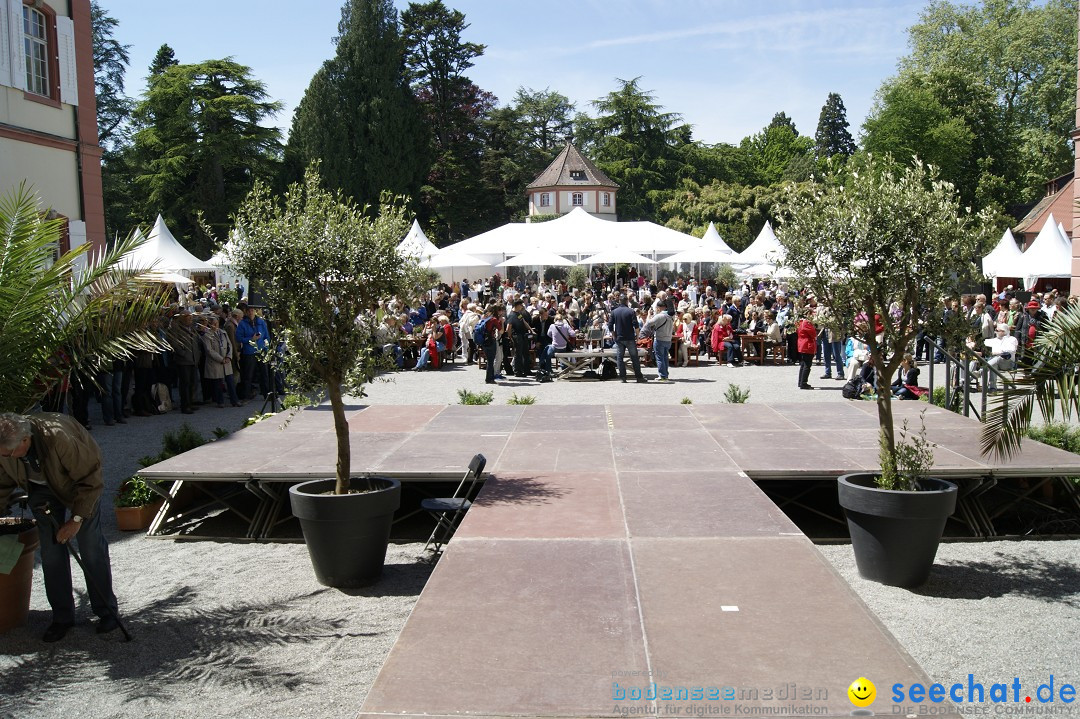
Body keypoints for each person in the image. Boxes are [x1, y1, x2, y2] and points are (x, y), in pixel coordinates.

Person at [0, 412, 121, 642]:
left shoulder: (59, 438)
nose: (5, 457)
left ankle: (107, 612)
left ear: (25, 441)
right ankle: (62, 617)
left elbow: (91, 480)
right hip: (40, 492)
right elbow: (1, 483)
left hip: (80, 488)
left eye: (8, 454)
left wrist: (75, 520)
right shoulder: (4, 445)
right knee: (51, 552)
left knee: (90, 546)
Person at [201, 316, 242, 407]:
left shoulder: (223, 333)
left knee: (230, 382)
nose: (215, 325)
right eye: (213, 324)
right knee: (218, 383)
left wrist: (228, 357)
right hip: (216, 362)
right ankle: (220, 401)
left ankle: (234, 400)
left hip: (226, 361)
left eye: (217, 323)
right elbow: (209, 350)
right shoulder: (206, 335)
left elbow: (229, 345)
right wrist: (221, 359)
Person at [235, 303, 270, 400]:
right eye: (249, 311)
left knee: (264, 374)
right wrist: (251, 339)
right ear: (246, 312)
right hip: (249, 352)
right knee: (248, 375)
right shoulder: (242, 323)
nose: (251, 312)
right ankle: (246, 395)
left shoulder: (260, 322)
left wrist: (266, 348)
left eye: (252, 310)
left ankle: (266, 394)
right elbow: (238, 338)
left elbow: (267, 336)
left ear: (255, 311)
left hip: (261, 350)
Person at [608, 295, 646, 383]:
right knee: (634, 358)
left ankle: (623, 377)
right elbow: (635, 325)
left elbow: (610, 325)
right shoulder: (631, 311)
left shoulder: (614, 312)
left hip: (619, 338)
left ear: (619, 301)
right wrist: (637, 336)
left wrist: (614, 335)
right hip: (629, 337)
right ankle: (639, 377)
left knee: (619, 358)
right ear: (626, 301)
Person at [644, 304, 675, 382]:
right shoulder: (671, 316)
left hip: (659, 339)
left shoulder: (659, 316)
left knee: (660, 358)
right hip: (668, 339)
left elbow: (648, 324)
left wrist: (649, 315)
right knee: (665, 358)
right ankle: (665, 374)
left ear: (659, 307)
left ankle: (662, 376)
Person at [796, 309, 817, 390]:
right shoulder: (807, 323)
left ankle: (801, 381)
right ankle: (804, 383)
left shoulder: (800, 322)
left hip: (802, 344)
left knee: (803, 364)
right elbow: (813, 334)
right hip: (807, 344)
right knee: (807, 365)